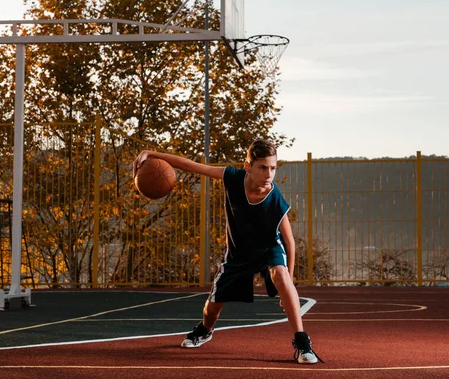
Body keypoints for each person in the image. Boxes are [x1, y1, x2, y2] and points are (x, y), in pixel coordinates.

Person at [133, 139, 322, 364]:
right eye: (262, 167)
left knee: (280, 276)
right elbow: (192, 165)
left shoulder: (275, 200)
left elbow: (289, 241)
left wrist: (289, 281)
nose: (269, 174)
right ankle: (205, 329)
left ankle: (302, 343)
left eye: (273, 168)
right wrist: (151, 153)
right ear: (247, 167)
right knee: (212, 308)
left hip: (268, 248)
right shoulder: (232, 178)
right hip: (238, 255)